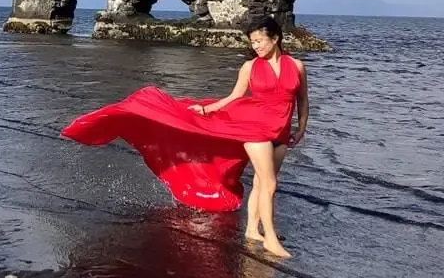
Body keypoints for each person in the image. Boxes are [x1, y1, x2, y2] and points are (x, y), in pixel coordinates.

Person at [60, 17, 309, 259]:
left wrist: (301, 129)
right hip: (255, 129)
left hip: (281, 131)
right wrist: (207, 109)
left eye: (259, 41)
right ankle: (271, 239)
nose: (256, 46)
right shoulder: (250, 67)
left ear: (275, 38)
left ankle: (252, 230)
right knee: (269, 184)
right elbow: (234, 96)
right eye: (252, 42)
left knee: (263, 182)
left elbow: (302, 100)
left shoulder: (296, 66)